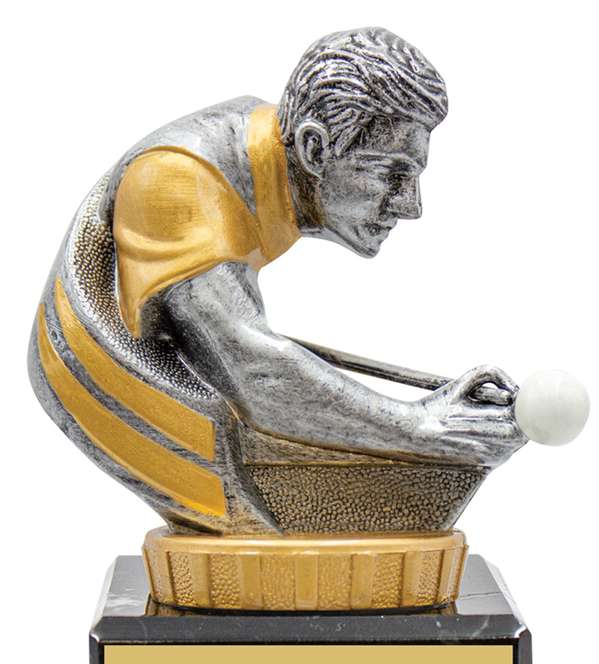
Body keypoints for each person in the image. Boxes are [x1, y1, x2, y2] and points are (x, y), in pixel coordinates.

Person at [29, 27, 526, 535]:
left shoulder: (266, 154)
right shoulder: (180, 177)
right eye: (392, 173)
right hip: (120, 395)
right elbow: (253, 371)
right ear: (314, 147)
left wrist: (420, 414)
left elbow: (247, 352)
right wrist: (420, 425)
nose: (411, 205)